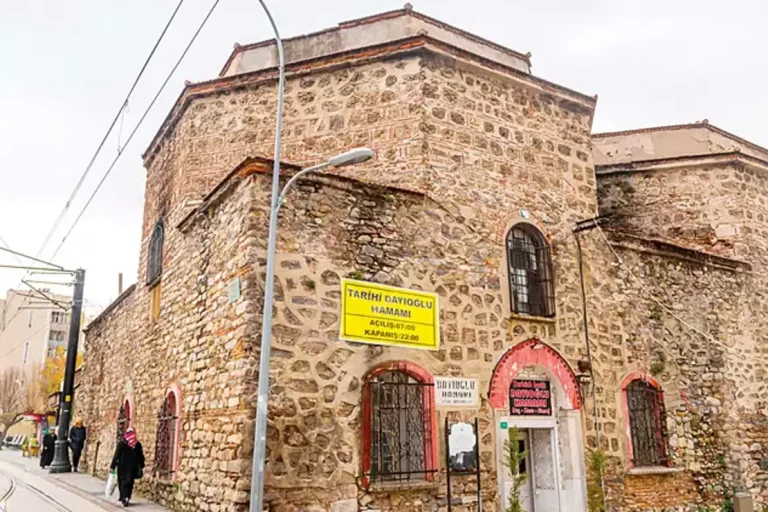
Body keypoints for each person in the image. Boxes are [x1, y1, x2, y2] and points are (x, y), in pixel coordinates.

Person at [111, 428, 144, 507]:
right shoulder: (137, 444)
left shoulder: (122, 444)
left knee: (122, 482)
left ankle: (123, 497)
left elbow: (117, 455)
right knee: (130, 483)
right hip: (133, 467)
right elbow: (141, 456)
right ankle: (127, 497)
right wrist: (141, 465)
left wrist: (113, 466)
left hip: (122, 466)